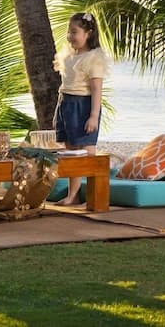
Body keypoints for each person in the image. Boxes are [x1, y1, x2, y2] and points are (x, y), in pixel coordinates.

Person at [53, 12, 109, 206]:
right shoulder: (70, 56)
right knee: (70, 151)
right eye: (69, 32)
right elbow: (66, 84)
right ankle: (73, 194)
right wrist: (60, 111)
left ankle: (95, 194)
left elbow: (96, 89)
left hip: (82, 106)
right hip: (65, 104)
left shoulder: (94, 58)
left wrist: (93, 115)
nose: (70, 36)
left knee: (86, 149)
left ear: (88, 33)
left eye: (74, 32)